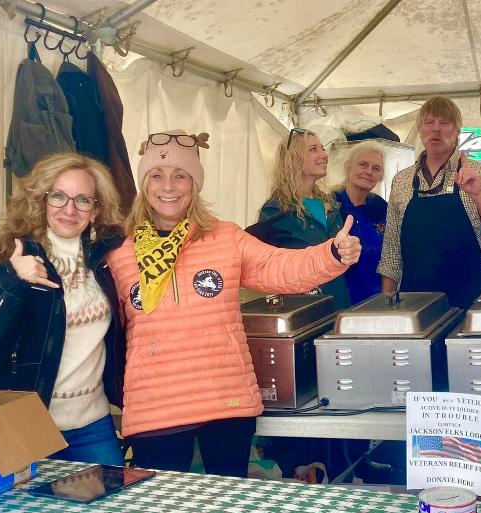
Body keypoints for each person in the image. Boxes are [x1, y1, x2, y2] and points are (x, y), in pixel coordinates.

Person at [109, 130, 360, 477]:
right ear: (144, 183)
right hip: (156, 406)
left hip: (225, 399)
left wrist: (331, 253)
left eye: (180, 175)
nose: (168, 186)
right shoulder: (119, 252)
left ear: (194, 184)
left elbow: (281, 267)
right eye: (157, 175)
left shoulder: (225, 237)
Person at [0, 152, 126, 465]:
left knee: (109, 511)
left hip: (93, 422)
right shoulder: (7, 257)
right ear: (41, 199)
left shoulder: (108, 258)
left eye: (83, 200)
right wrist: (11, 280)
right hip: (24, 420)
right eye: (58, 196)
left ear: (96, 209)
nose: (69, 209)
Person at [378, 96, 481, 308]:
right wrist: (386, 307)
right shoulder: (402, 181)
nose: (436, 130)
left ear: (457, 130)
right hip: (414, 306)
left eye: (444, 123)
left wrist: (479, 196)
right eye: (429, 123)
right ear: (420, 130)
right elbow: (391, 253)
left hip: (469, 301)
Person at [246, 128, 352, 309]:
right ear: (293, 159)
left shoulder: (332, 205)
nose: (324, 155)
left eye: (322, 148)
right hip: (303, 312)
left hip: (338, 305)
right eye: (313, 150)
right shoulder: (276, 210)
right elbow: (266, 270)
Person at [335, 141, 388, 303]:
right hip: (343, 301)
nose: (369, 172)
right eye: (363, 165)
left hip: (378, 299)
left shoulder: (381, 207)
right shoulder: (332, 205)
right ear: (348, 168)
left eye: (376, 168)